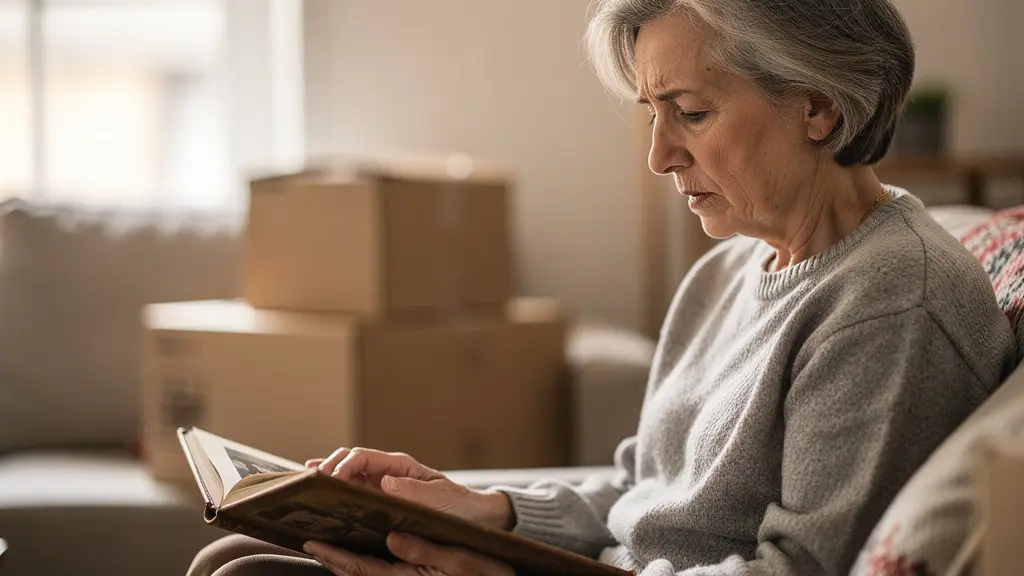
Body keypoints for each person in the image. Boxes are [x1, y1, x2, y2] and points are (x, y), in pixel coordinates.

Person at [188, 0, 1018, 574]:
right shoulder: (728, 267)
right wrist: (488, 512)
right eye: (651, 113)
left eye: (690, 112)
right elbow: (642, 489)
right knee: (240, 552)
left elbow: (798, 570)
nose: (659, 155)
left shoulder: (890, 298)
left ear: (819, 107)